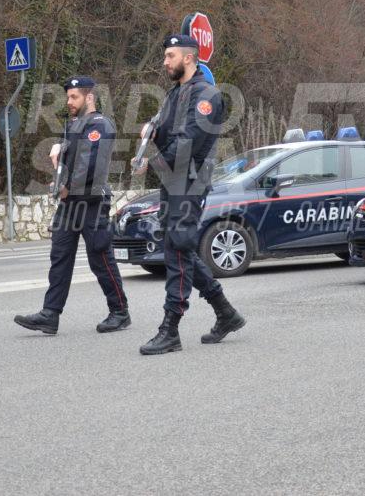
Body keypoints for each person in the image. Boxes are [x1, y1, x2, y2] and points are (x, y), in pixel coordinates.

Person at [134, 34, 246, 355]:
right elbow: (167, 131)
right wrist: (150, 131)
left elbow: (187, 142)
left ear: (189, 57)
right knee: (179, 246)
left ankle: (170, 329)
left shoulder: (206, 96)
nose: (165, 62)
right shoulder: (175, 94)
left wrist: (152, 162)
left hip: (190, 183)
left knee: (177, 251)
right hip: (173, 183)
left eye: (170, 56)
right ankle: (226, 313)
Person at [14, 76, 130, 335]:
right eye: (67, 97)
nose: (69, 101)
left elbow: (91, 167)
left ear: (89, 97)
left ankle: (120, 311)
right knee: (60, 256)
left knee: (100, 259)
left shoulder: (100, 124)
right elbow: (68, 164)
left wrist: (66, 187)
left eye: (74, 96)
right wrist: (58, 179)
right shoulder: (74, 126)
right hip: (69, 203)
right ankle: (50, 314)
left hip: (91, 202)